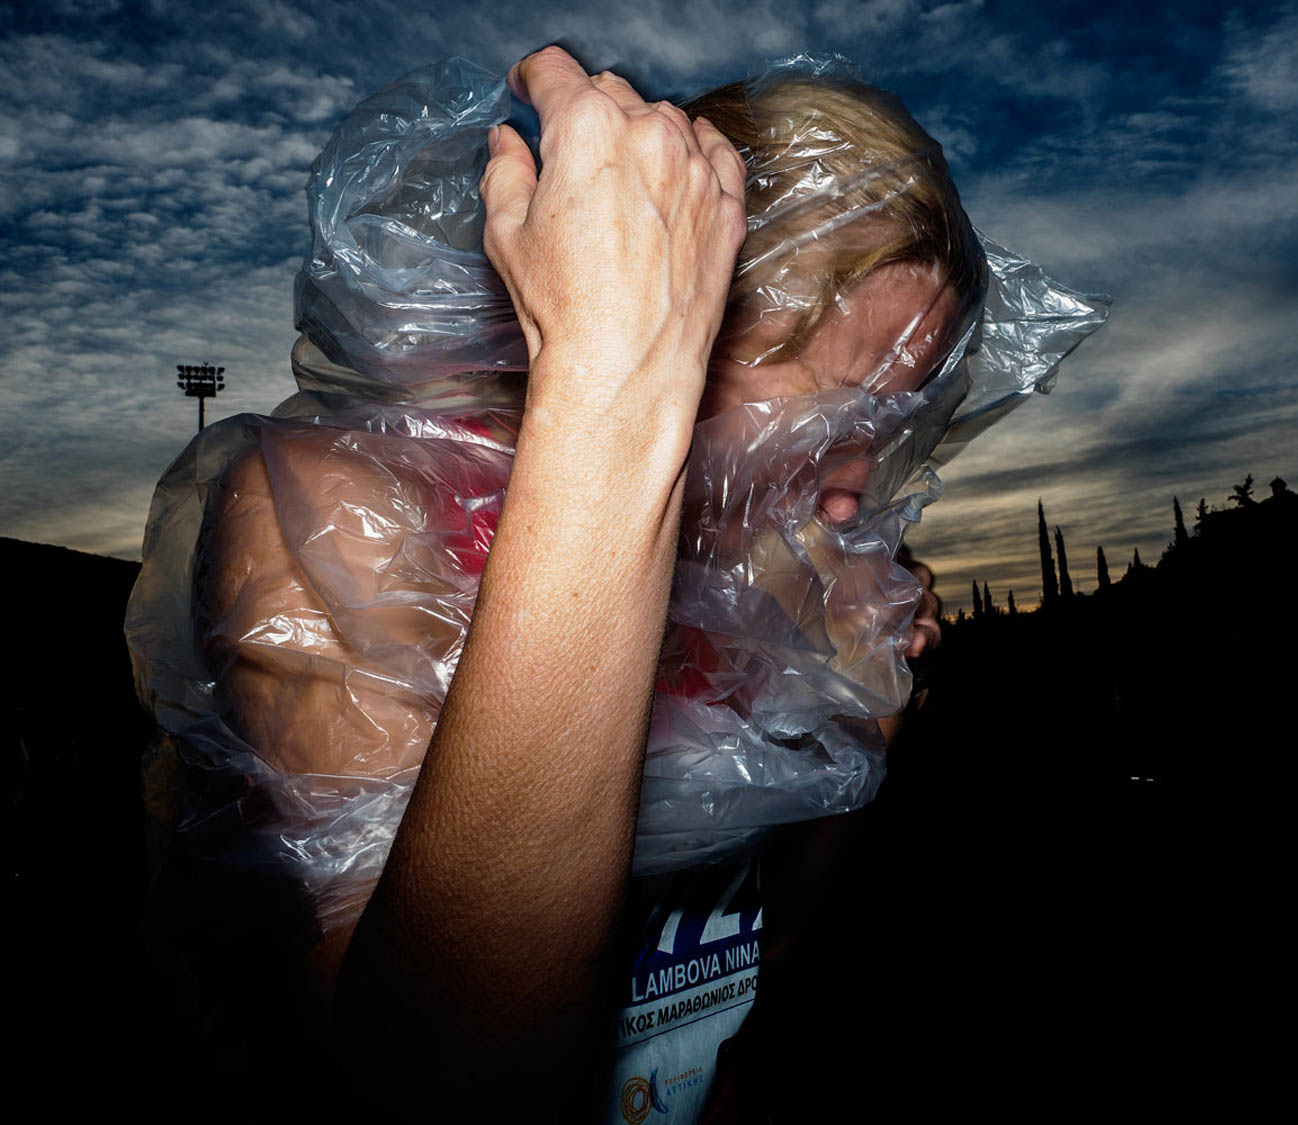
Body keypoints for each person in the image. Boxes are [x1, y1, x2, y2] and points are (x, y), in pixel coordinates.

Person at [127, 45, 1100, 1120]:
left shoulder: (766, 583)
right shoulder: (338, 519)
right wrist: (613, 390)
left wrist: (863, 726)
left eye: (888, 427)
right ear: (679, 314)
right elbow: (432, 1083)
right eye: (836, 420)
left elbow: (735, 963)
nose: (852, 495)